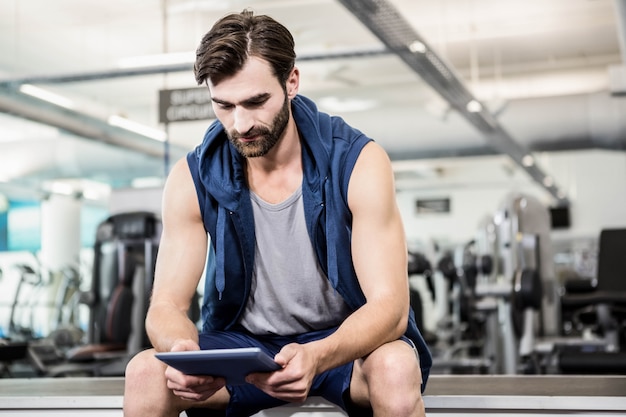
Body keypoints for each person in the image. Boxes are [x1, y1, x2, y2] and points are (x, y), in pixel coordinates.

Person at [123, 9, 431, 417]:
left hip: (342, 344)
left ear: (292, 82)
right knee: (145, 373)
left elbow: (390, 308)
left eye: (255, 101)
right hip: (245, 347)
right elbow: (165, 306)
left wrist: (318, 355)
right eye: (224, 106)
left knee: (395, 366)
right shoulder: (190, 176)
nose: (241, 123)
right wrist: (184, 351)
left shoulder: (358, 161)